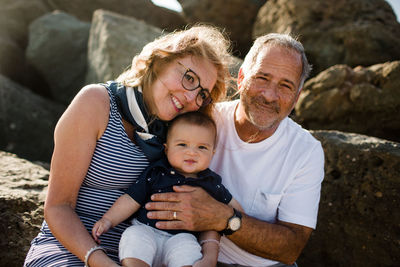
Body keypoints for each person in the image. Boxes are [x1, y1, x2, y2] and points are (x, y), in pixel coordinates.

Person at [24, 25, 233, 267]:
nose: (190, 98)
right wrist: (100, 261)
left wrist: (209, 256)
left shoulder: (181, 138)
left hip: (142, 255)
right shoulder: (96, 103)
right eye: (189, 78)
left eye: (202, 94)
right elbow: (58, 207)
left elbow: (200, 199)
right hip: (71, 250)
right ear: (160, 61)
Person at [145, 33, 325, 267]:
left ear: (297, 97)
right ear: (241, 78)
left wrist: (223, 218)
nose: (269, 95)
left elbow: (291, 248)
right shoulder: (201, 121)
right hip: (185, 254)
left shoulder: (306, 151)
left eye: (285, 85)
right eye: (262, 78)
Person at [92, 112, 242, 267]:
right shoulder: (157, 172)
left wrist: (241, 217)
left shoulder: (211, 183)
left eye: (202, 147)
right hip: (147, 229)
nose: (192, 152)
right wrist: (108, 220)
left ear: (212, 153)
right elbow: (131, 199)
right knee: (133, 236)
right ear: (166, 149)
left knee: (189, 251)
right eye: (182, 144)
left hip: (182, 237)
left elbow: (233, 207)